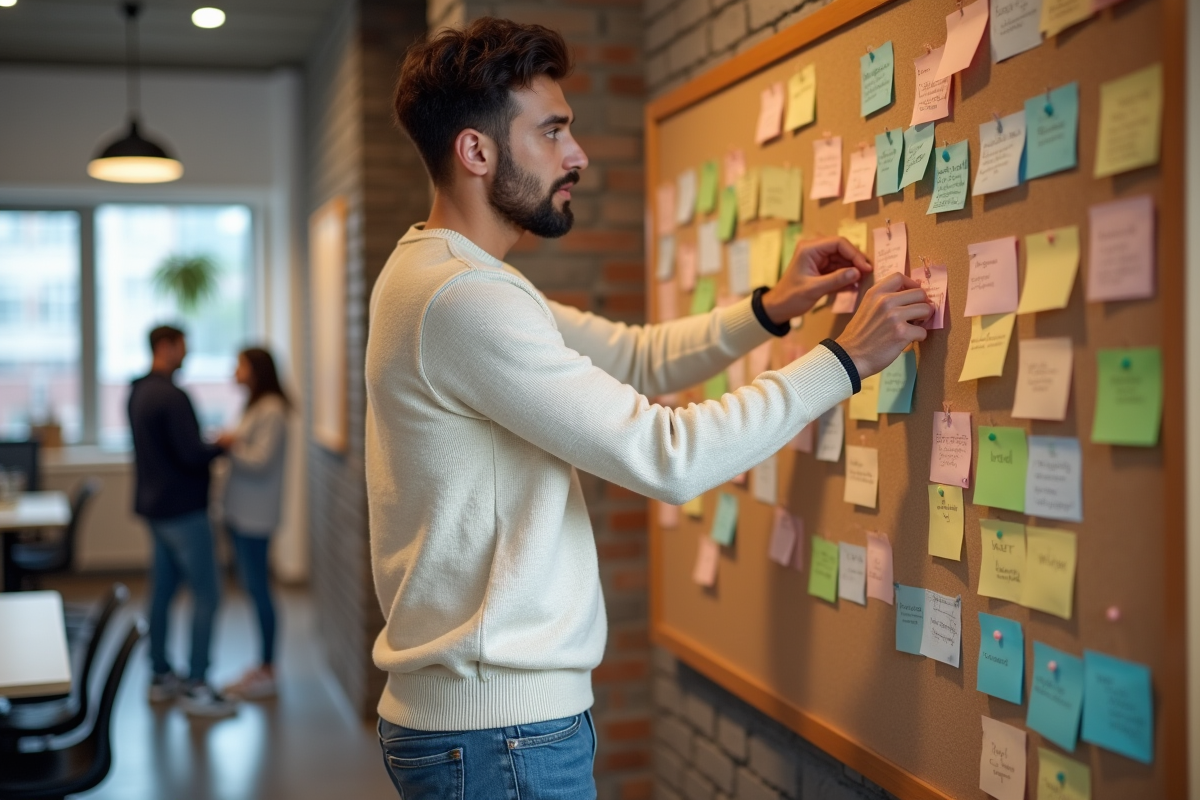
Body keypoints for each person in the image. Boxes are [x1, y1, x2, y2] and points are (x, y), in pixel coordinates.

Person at [367, 18, 933, 799]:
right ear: (477, 151)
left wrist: (771, 307)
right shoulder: (463, 298)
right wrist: (845, 360)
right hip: (498, 735)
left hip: (486, 728)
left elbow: (635, 357)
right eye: (554, 131)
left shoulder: (443, 276)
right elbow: (669, 456)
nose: (578, 156)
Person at [128, 325, 237, 717]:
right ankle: (197, 685)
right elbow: (191, 454)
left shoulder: (138, 390)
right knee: (208, 594)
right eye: (183, 347)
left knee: (162, 592)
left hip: (155, 510)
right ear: (166, 347)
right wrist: (221, 446)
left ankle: (160, 676)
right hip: (184, 511)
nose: (186, 354)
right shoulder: (173, 396)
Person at [216, 347, 290, 701]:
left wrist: (231, 444)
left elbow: (260, 460)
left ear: (256, 370)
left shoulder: (272, 409)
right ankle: (262, 666)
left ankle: (268, 668)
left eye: (240, 365)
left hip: (255, 517)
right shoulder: (254, 405)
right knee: (253, 587)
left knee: (260, 590)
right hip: (241, 512)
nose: (235, 370)